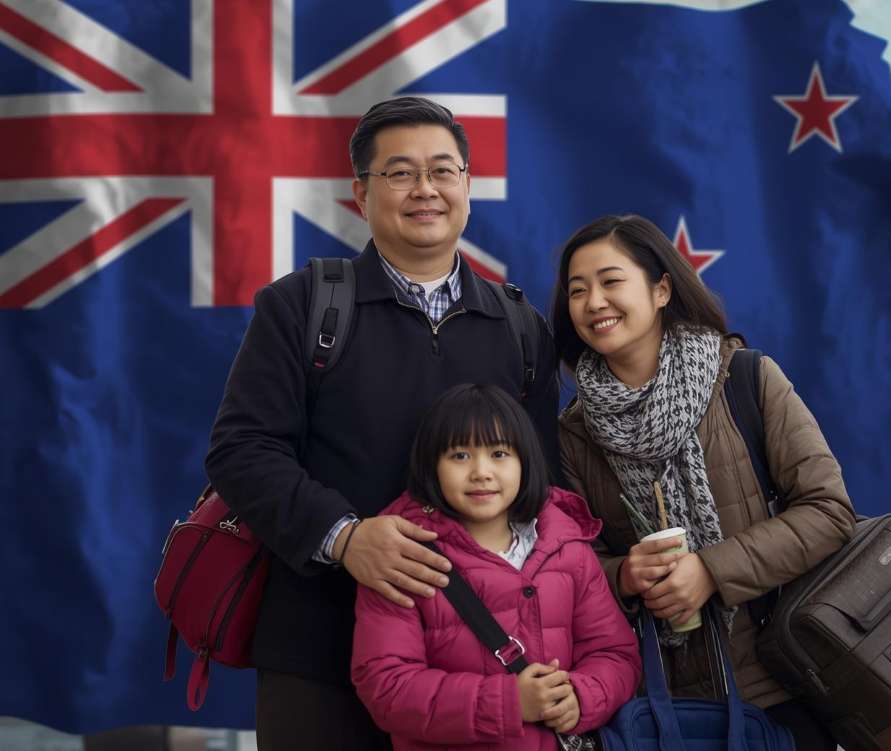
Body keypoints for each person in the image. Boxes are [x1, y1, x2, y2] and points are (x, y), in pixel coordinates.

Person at [204, 97, 559, 750]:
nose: (425, 189)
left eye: (443, 171)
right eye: (400, 173)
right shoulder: (302, 305)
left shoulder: (519, 327)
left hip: (481, 666)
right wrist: (345, 537)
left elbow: (546, 489)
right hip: (323, 654)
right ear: (361, 194)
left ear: (467, 187)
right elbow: (241, 449)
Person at [552, 214, 855, 750]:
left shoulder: (745, 379)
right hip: (658, 708)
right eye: (578, 291)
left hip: (777, 684)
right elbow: (571, 566)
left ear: (661, 289)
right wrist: (625, 575)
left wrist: (712, 571)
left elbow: (828, 512)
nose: (594, 302)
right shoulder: (575, 431)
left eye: (610, 281)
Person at [352, 383, 640, 750]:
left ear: (525, 461)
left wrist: (581, 696)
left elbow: (616, 654)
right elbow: (386, 686)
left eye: (499, 453)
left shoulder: (568, 549)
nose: (481, 472)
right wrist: (509, 702)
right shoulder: (402, 556)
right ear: (431, 465)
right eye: (460, 455)